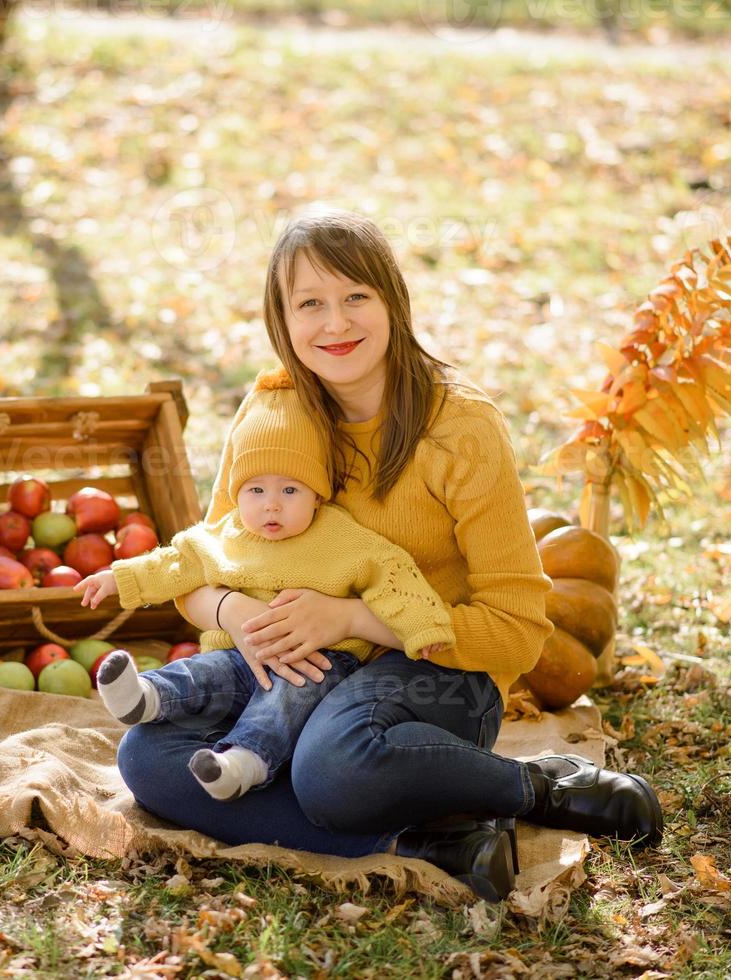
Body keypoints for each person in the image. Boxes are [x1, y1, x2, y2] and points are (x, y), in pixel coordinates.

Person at [116, 205, 662, 902]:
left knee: (332, 769)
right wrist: (237, 610)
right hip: (290, 677)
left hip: (431, 675)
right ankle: (426, 841)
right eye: (309, 303)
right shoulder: (271, 414)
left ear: (393, 303)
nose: (335, 324)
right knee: (149, 756)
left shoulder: (460, 427)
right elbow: (200, 566)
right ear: (280, 319)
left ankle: (535, 786)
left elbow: (519, 630)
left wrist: (349, 617)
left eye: (355, 298)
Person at [72, 385, 455, 803]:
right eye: (256, 491)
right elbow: (176, 563)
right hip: (242, 653)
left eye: (290, 491)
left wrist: (424, 626)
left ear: (317, 494)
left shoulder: (341, 535)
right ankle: (147, 696)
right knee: (205, 672)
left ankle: (245, 761)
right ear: (238, 494)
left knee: (287, 697)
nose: (272, 505)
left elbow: (393, 573)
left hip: (317, 661)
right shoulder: (226, 533)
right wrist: (118, 578)